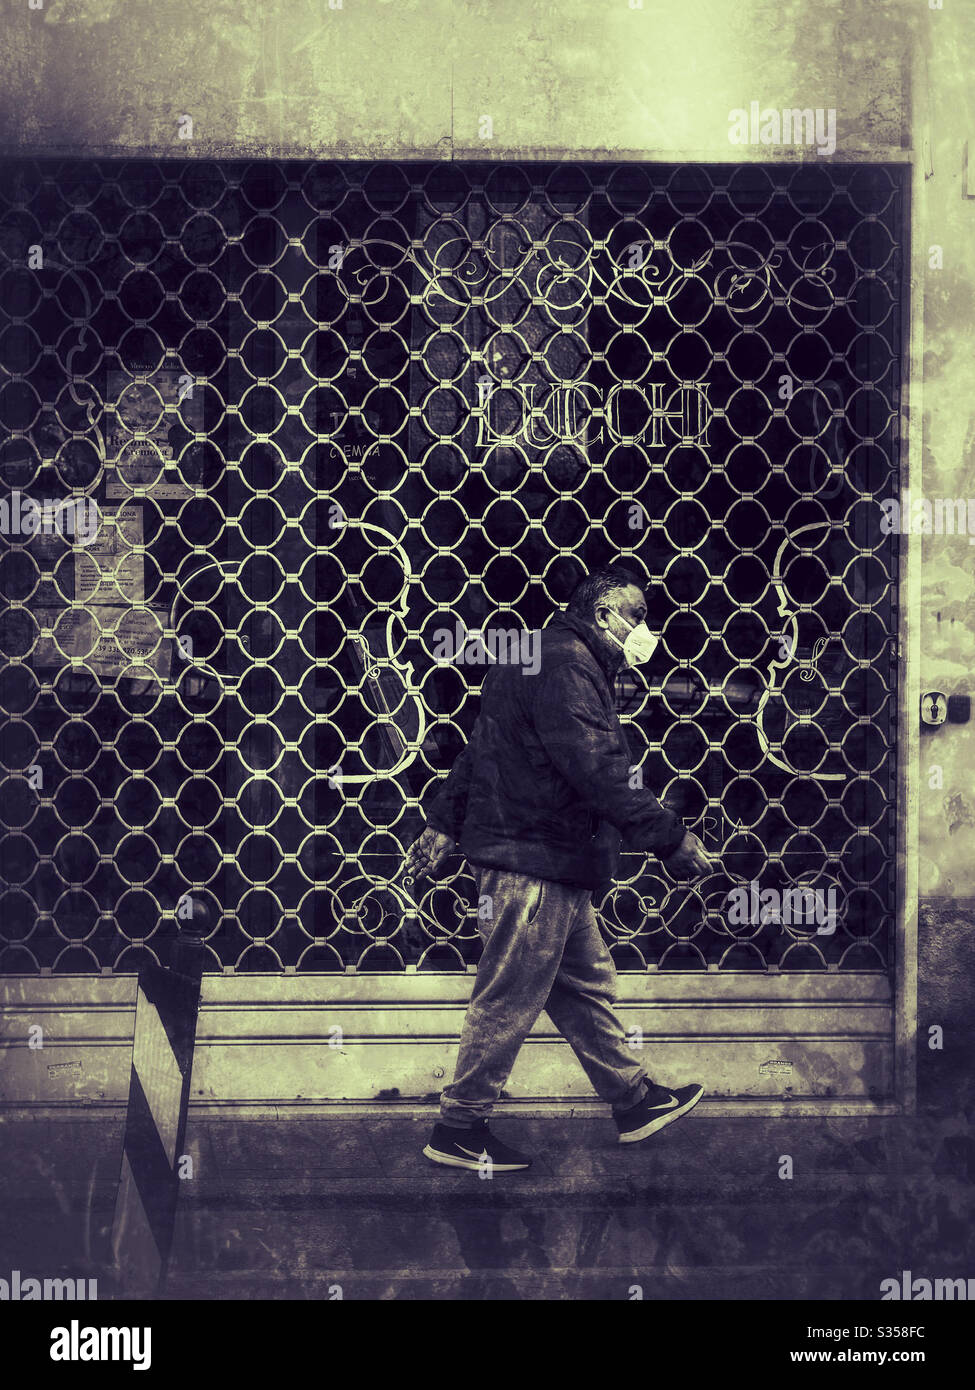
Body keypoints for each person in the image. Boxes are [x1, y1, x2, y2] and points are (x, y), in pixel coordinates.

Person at [402, 563, 717, 1173]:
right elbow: (596, 766)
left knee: (583, 988)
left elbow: (480, 748)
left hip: (546, 861)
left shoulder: (536, 654)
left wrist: (444, 821)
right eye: (638, 616)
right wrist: (669, 839)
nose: (644, 630)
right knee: (510, 994)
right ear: (604, 614)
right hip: (533, 862)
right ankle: (459, 1126)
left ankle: (634, 1102)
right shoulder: (569, 665)